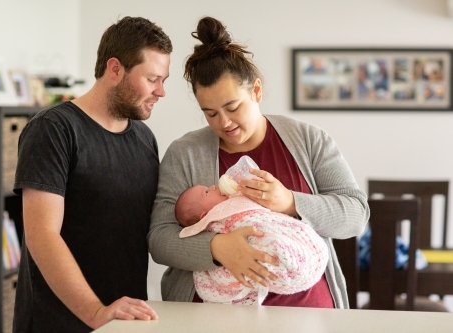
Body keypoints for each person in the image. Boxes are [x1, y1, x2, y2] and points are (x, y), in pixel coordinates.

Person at [148, 16, 369, 309]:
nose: (224, 122)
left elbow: (356, 215)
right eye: (210, 113)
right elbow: (160, 239)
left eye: (232, 107)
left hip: (307, 313)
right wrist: (217, 248)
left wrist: (290, 202)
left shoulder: (310, 140)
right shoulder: (185, 153)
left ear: (256, 91)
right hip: (214, 318)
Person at [12, 16, 172, 332]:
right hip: (60, 322)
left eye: (163, 80)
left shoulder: (144, 138)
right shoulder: (53, 130)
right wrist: (95, 312)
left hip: (124, 319)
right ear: (115, 69)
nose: (161, 91)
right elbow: (41, 234)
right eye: (153, 78)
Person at [175, 184, 329, 305]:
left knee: (284, 242)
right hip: (261, 247)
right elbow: (162, 238)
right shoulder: (215, 221)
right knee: (274, 246)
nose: (214, 187)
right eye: (207, 192)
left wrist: (289, 201)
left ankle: (297, 253)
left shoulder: (236, 195)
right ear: (204, 215)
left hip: (310, 303)